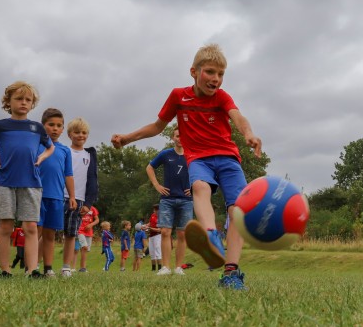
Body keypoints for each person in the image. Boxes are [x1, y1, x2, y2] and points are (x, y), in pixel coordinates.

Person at [111, 44, 262, 290]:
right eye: (210, 72)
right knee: (200, 187)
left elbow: (238, 117)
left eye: (221, 74)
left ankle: (231, 273)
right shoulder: (178, 96)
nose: (216, 79)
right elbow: (157, 126)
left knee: (239, 210)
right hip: (199, 158)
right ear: (194, 71)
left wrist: (249, 133)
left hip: (228, 158)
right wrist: (128, 138)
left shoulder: (222, 97)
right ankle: (211, 236)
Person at [0, 81, 54, 278]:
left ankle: (32, 270)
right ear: (8, 102)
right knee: (5, 226)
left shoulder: (36, 128)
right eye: (19, 98)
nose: (23, 102)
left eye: (28, 99)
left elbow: (50, 147)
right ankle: (5, 270)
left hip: (31, 183)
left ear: (32, 103)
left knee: (30, 227)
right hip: (5, 182)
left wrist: (42, 157)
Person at [147, 129, 194, 276]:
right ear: (173, 137)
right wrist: (157, 185)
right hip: (167, 199)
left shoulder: (192, 154)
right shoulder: (166, 154)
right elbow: (149, 167)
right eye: (178, 135)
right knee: (165, 232)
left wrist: (193, 187)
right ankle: (165, 267)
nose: (180, 138)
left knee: (182, 234)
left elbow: (203, 171)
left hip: (186, 200)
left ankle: (179, 267)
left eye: (183, 135)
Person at [37, 108, 77, 277]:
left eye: (59, 125)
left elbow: (68, 175)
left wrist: (72, 196)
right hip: (35, 195)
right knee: (34, 232)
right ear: (43, 125)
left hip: (56, 197)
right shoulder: (35, 145)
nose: (55, 128)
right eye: (51, 124)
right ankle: (30, 268)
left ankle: (48, 268)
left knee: (50, 235)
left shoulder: (65, 150)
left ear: (63, 129)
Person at [61, 118, 98, 277]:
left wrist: (88, 203)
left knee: (71, 233)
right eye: (77, 132)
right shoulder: (63, 151)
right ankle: (38, 265)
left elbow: (93, 180)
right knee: (47, 231)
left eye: (84, 132)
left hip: (79, 199)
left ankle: (66, 267)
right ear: (69, 134)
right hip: (59, 196)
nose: (80, 135)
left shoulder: (89, 154)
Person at [76, 205, 99, 273]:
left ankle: (83, 268)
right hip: (80, 230)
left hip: (89, 232)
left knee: (86, 250)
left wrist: (91, 225)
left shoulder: (93, 208)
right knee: (84, 247)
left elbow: (97, 220)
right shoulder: (79, 206)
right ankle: (82, 268)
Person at [147, 204, 162, 271]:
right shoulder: (153, 215)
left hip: (157, 236)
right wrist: (144, 226)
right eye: (154, 210)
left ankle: (160, 268)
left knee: (158, 251)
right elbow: (149, 223)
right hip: (151, 236)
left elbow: (160, 230)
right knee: (152, 252)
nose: (154, 211)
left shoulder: (161, 217)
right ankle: (153, 268)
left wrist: (150, 228)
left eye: (155, 210)